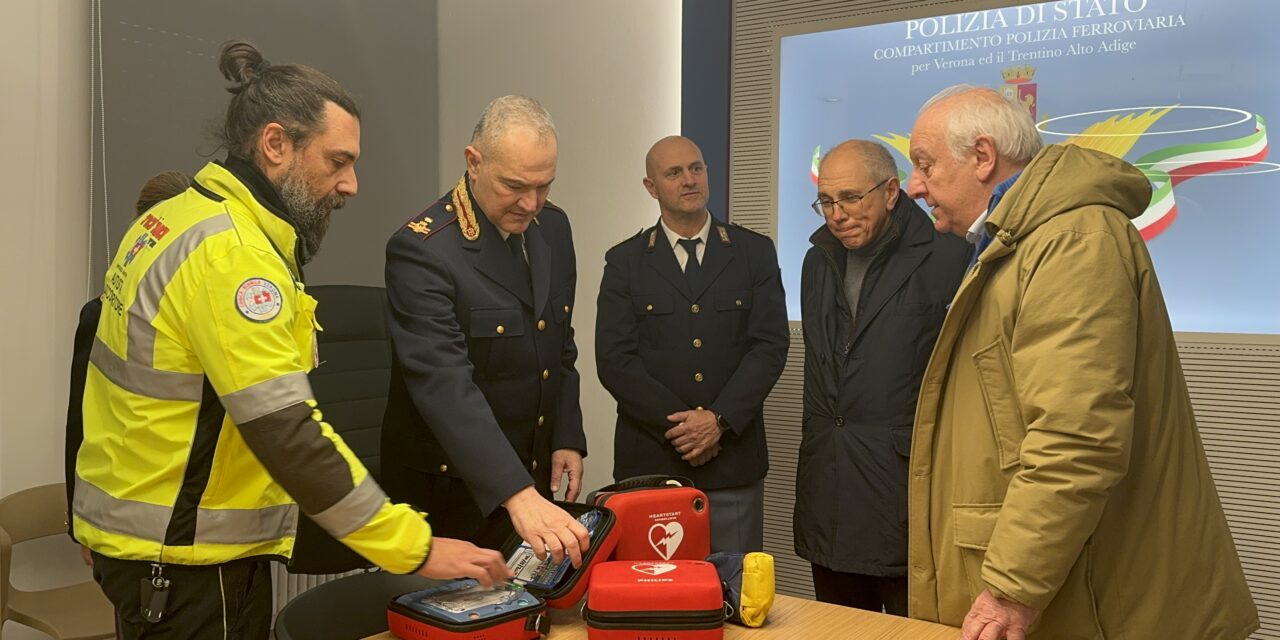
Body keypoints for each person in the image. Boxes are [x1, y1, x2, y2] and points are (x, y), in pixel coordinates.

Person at [73, 41, 507, 639]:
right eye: (337, 161)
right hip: (190, 561)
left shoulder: (173, 221)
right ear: (276, 144)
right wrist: (413, 547)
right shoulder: (233, 256)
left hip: (152, 545)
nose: (351, 185)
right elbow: (288, 434)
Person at [904, 85, 1258, 639]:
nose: (914, 185)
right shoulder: (1024, 239)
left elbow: (1077, 438)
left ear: (982, 156)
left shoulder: (1071, 239)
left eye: (924, 164)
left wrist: (1009, 591)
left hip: (1096, 602)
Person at [381, 95, 591, 566]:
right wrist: (515, 492)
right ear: (473, 164)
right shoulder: (425, 251)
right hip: (451, 496)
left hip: (527, 482)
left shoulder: (552, 228)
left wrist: (566, 434)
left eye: (544, 186)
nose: (531, 203)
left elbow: (557, 343)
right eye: (515, 186)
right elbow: (444, 385)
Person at [795, 140, 970, 614]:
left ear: (891, 191)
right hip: (828, 488)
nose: (837, 214)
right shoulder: (817, 260)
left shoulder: (948, 257)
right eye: (827, 201)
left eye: (851, 198)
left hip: (905, 494)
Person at [595, 135, 788, 553]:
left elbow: (769, 346)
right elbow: (614, 360)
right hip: (651, 461)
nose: (688, 180)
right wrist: (683, 430)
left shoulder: (753, 252)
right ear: (651, 187)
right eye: (674, 172)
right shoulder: (625, 261)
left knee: (735, 594)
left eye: (696, 168)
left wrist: (717, 422)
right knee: (653, 593)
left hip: (732, 461)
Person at [65, 170, 192, 562]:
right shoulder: (102, 315)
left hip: (186, 514)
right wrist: (79, 521)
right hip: (123, 513)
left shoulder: (196, 315)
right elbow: (80, 423)